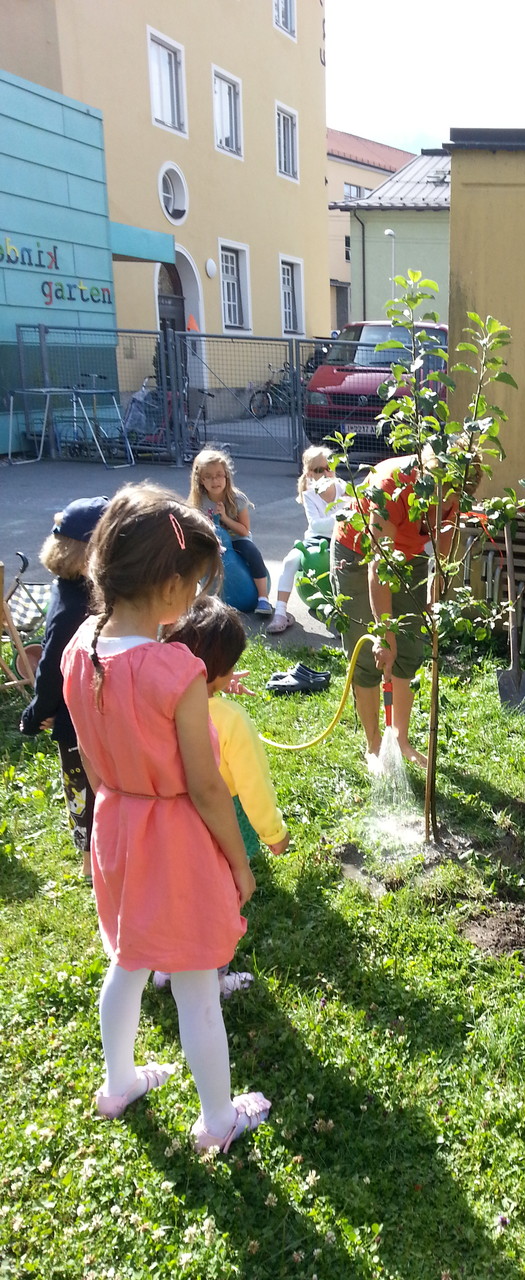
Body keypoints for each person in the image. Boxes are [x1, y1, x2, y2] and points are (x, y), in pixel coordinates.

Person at [60, 483, 270, 1153]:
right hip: (174, 836)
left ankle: (118, 1081)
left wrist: (111, 810)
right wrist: (238, 862)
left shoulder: (79, 647)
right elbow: (207, 788)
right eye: (197, 581)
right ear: (172, 583)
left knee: (126, 961)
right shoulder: (175, 669)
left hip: (115, 825)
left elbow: (92, 760)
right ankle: (217, 1120)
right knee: (194, 983)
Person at [154, 595, 290, 996]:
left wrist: (214, 682)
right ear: (224, 669)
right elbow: (253, 785)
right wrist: (273, 832)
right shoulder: (230, 720)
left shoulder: (157, 703)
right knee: (221, 902)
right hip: (223, 820)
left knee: (174, 893)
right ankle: (212, 978)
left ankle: (165, 967)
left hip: (167, 818)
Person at [330, 442, 477, 769]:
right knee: (369, 650)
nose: (445, 508)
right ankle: (373, 744)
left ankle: (400, 739)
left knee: (409, 648)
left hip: (407, 555)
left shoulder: (457, 488)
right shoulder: (391, 486)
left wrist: (432, 593)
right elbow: (377, 567)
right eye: (438, 501)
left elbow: (444, 537)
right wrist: (384, 634)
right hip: (357, 552)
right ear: (424, 483)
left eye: (451, 502)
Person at [19, 496, 108, 881]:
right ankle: (92, 859)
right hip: (84, 710)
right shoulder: (79, 601)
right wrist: (39, 711)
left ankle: (96, 855)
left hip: (84, 710)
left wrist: (39, 710)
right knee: (87, 783)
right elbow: (55, 665)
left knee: (84, 783)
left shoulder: (67, 588)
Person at [266, 444, 349, 634]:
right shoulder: (310, 495)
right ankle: (280, 612)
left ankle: (344, 616)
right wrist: (343, 514)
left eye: (331, 467)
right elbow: (317, 525)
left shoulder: (341, 486)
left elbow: (360, 503)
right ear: (311, 474)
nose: (328, 473)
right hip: (315, 540)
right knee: (289, 561)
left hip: (341, 539)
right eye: (321, 470)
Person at [188, 447, 272, 616]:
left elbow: (244, 531)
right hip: (212, 542)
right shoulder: (199, 502)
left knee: (252, 552)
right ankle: (198, 596)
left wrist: (225, 518)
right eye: (209, 477)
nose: (215, 480)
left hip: (236, 539)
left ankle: (263, 598)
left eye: (219, 475)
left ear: (226, 475)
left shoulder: (237, 499)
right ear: (200, 480)